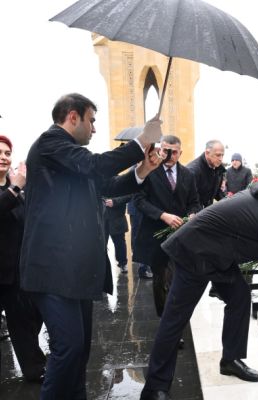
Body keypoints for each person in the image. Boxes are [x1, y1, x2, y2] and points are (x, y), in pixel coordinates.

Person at [19, 93, 163, 400]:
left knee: (80, 351)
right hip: (51, 269)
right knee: (68, 348)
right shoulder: (50, 143)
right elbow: (96, 165)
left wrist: (143, 170)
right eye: (91, 120)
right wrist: (141, 141)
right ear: (73, 117)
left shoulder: (72, 159)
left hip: (74, 271)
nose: (94, 128)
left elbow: (108, 184)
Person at [140, 178, 258, 400]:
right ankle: (155, 387)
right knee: (175, 320)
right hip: (194, 253)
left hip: (218, 255)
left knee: (239, 297)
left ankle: (230, 360)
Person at [133, 135, 200, 318]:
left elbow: (194, 202)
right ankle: (164, 318)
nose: (170, 155)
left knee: (178, 278)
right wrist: (163, 215)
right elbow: (139, 201)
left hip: (180, 235)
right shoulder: (149, 171)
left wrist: (192, 214)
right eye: (165, 151)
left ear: (180, 153)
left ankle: (176, 316)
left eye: (174, 152)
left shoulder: (188, 174)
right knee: (160, 278)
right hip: (156, 236)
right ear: (160, 150)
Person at [0, 135, 46, 383]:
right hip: (4, 271)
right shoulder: (14, 189)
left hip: (21, 267)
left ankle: (34, 364)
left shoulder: (17, 189)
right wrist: (14, 188)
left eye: (7, 153)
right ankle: (34, 367)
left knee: (31, 316)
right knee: (20, 321)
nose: (3, 157)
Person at [186, 139, 226, 209]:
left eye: (222, 155)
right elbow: (189, 198)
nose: (221, 159)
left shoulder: (219, 169)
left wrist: (229, 201)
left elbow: (217, 192)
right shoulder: (193, 171)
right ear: (207, 153)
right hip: (194, 212)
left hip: (207, 210)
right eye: (218, 155)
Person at [104, 194, 131, 274]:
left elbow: (129, 195)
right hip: (102, 217)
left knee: (120, 243)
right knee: (101, 245)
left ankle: (123, 263)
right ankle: (103, 265)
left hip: (117, 217)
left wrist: (115, 201)